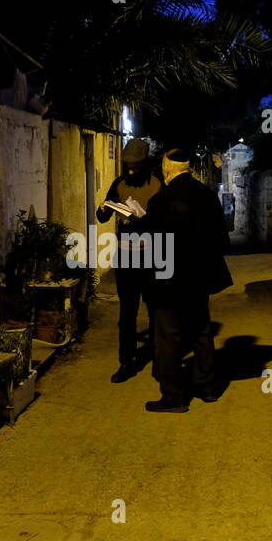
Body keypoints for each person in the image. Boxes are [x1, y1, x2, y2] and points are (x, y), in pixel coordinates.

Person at [142, 148, 233, 413]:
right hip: (199, 278)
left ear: (168, 169)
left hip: (169, 280)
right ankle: (207, 388)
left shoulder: (161, 200)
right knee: (200, 330)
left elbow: (154, 242)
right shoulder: (207, 195)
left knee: (168, 335)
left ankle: (174, 396)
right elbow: (221, 238)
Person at [96, 137, 163, 382]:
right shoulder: (119, 184)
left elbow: (163, 221)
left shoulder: (157, 185)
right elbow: (103, 215)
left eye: (136, 165)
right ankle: (126, 362)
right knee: (126, 314)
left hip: (151, 256)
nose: (132, 170)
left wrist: (143, 219)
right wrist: (104, 209)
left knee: (155, 310)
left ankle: (159, 361)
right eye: (128, 165)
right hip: (125, 258)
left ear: (145, 163)